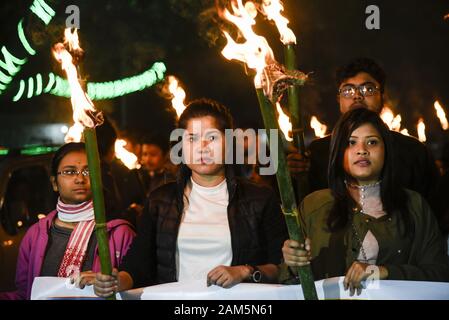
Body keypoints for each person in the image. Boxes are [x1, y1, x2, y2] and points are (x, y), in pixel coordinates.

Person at [93, 98, 288, 297]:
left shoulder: (259, 199)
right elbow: (138, 265)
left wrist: (244, 271)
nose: (202, 147)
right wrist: (117, 281)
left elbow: (281, 267)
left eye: (212, 138)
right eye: (192, 139)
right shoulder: (160, 201)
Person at [280, 108, 449, 296]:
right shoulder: (313, 205)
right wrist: (293, 264)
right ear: (338, 151)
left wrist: (385, 272)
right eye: (351, 143)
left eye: (372, 142)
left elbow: (440, 274)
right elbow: (289, 284)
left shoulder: (414, 205)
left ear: (386, 150)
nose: (362, 150)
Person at [288, 57, 439, 202]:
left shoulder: (414, 151)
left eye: (368, 89)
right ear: (338, 99)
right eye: (348, 90)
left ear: (382, 96)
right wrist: (296, 175)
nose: (357, 96)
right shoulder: (319, 152)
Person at [0, 142, 135, 300]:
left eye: (88, 171)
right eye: (69, 172)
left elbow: (137, 286)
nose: (80, 179)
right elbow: (25, 294)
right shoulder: (35, 235)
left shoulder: (120, 234)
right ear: (54, 183)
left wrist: (118, 282)